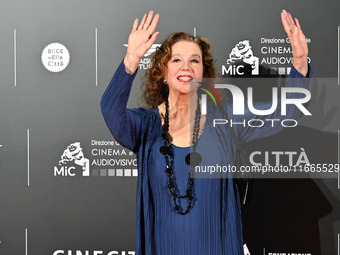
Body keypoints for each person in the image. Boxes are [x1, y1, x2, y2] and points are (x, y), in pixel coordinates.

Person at [101, 10, 311, 255]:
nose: (186, 67)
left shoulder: (226, 119)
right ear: (163, 74)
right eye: (176, 59)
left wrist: (300, 61)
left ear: (203, 73)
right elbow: (111, 111)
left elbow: (285, 111)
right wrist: (130, 61)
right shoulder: (144, 126)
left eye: (195, 60)